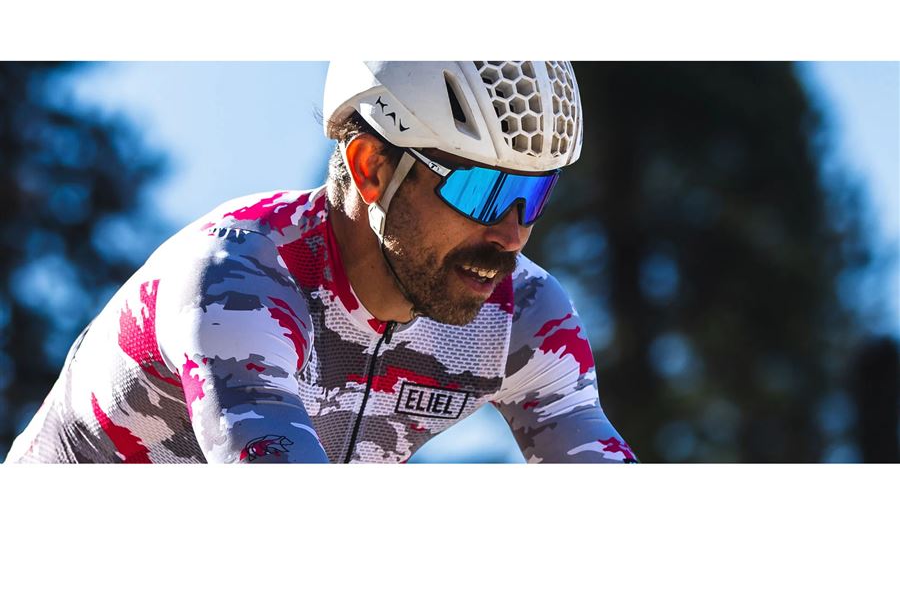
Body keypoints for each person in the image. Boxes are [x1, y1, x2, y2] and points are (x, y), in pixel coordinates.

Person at [7, 61, 637, 464]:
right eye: (482, 191)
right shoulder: (235, 281)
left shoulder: (524, 315)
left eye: (535, 195)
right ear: (371, 168)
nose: (513, 235)